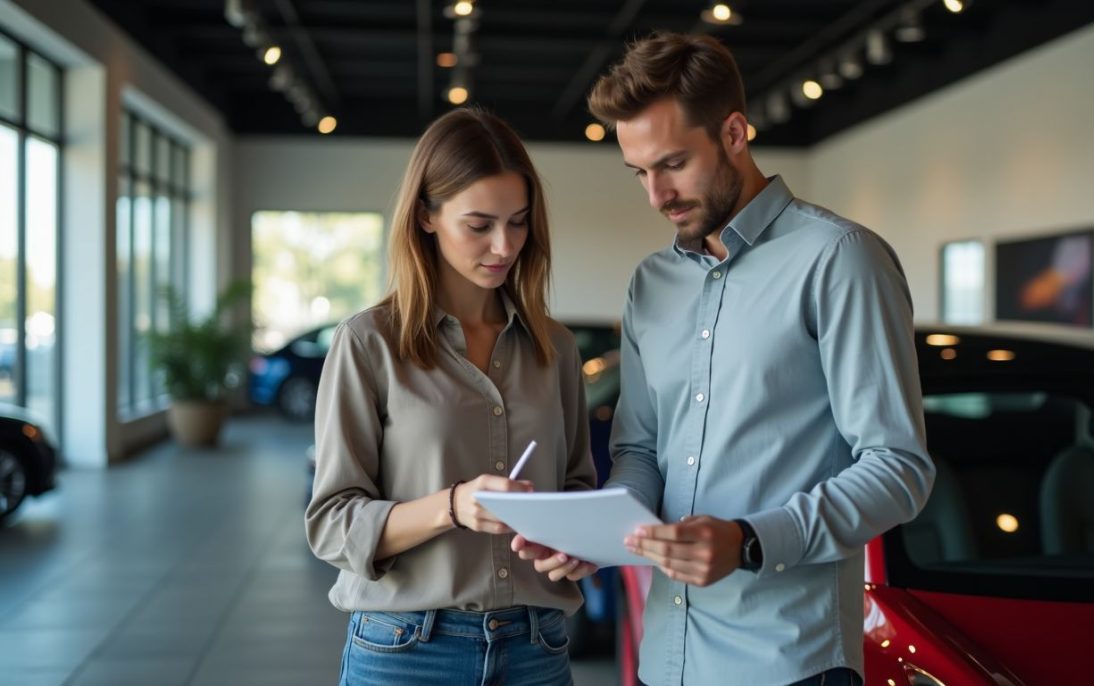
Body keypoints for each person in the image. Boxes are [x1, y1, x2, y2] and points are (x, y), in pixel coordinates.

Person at [513, 32, 935, 686]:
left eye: (674, 163)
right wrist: (597, 535)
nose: (656, 194)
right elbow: (642, 450)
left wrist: (750, 540)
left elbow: (898, 466)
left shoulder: (841, 260)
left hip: (789, 665)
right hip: (667, 659)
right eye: (640, 172)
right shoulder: (650, 284)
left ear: (735, 133)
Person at [306, 107, 596, 686]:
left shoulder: (555, 348)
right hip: (407, 651)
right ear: (426, 217)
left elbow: (576, 488)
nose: (504, 244)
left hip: (537, 648)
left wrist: (576, 546)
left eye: (518, 222)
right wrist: (454, 505)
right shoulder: (369, 343)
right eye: (480, 224)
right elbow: (332, 523)